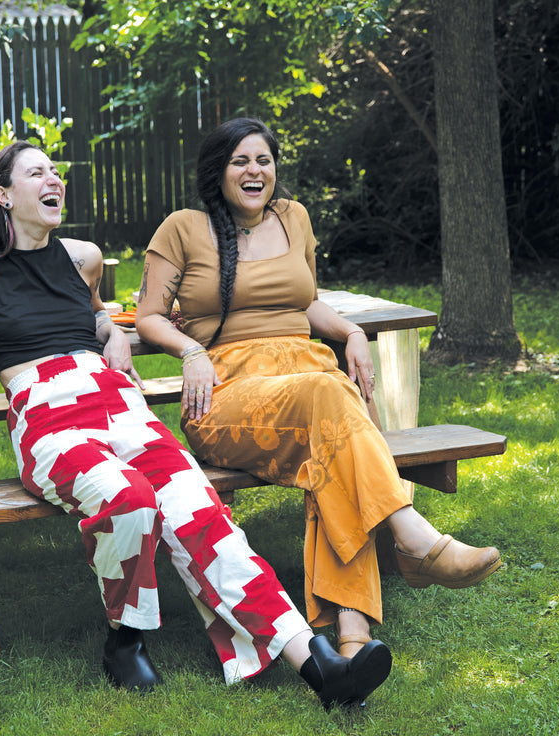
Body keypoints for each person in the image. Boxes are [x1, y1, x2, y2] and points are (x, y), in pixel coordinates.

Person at [0, 141, 392, 709]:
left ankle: (319, 665)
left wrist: (108, 327)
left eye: (55, 171)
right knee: (129, 499)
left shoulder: (82, 255)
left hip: (119, 402)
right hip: (47, 416)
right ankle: (127, 637)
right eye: (36, 173)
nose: (53, 180)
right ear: (2, 195)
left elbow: (90, 308)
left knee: (202, 514)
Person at [135, 118, 502, 658]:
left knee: (332, 452)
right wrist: (189, 350)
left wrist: (351, 330)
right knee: (330, 398)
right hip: (230, 391)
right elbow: (147, 316)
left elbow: (304, 301)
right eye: (241, 161)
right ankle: (414, 538)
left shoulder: (294, 218)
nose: (255, 171)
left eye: (264, 160)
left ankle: (353, 638)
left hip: (309, 378)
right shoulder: (183, 228)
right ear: (218, 172)